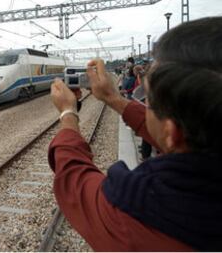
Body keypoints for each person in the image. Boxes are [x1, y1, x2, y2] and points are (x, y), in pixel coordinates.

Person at [48, 17, 222, 251]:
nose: (144, 104)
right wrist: (113, 98)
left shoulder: (141, 215)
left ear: (173, 134)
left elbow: (74, 178)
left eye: (148, 100)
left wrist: (68, 112)